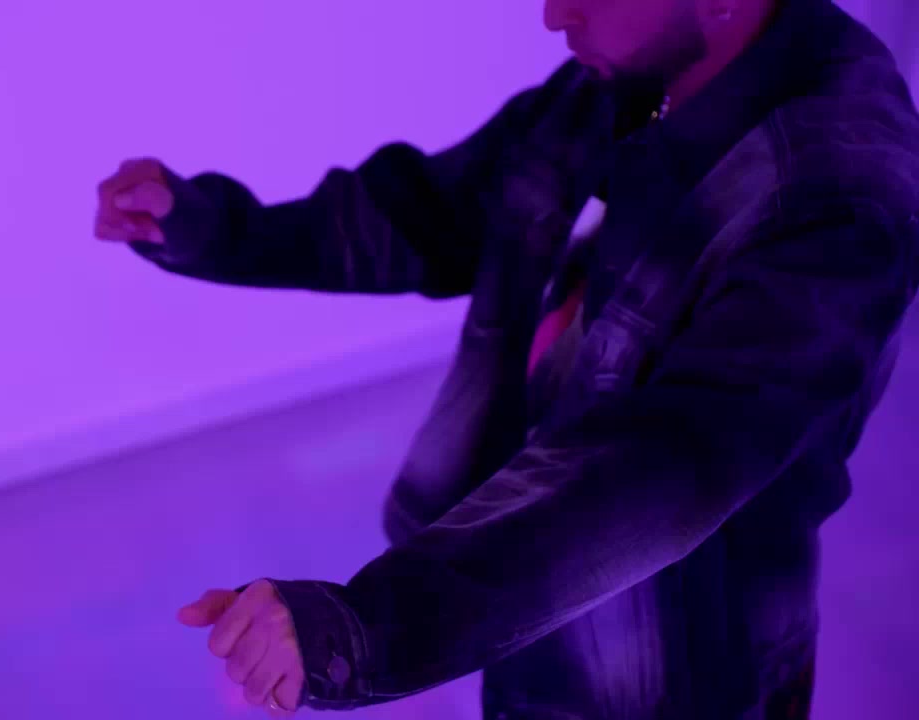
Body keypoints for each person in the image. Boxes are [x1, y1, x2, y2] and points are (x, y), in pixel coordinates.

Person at [93, 0, 919, 717]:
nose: (553, 16)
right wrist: (212, 229)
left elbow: (660, 469)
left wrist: (364, 630)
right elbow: (432, 214)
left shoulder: (838, 192)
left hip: (676, 676)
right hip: (521, 615)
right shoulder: (634, 73)